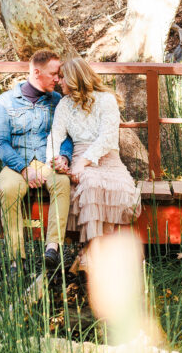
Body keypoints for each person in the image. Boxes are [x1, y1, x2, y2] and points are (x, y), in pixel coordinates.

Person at [0, 49, 74, 276]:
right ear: (36, 72)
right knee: (8, 189)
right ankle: (17, 260)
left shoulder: (58, 101)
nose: (57, 79)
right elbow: (1, 143)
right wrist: (24, 169)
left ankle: (52, 249)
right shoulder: (5, 101)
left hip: (48, 162)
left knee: (62, 184)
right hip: (17, 164)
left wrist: (64, 157)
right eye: (53, 74)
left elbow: (68, 136)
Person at [50, 57, 141, 250]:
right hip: (78, 154)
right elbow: (55, 136)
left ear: (74, 79)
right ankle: (96, 251)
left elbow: (107, 138)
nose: (59, 81)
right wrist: (54, 158)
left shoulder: (106, 100)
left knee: (118, 188)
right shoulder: (64, 104)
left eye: (62, 77)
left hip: (107, 156)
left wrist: (83, 162)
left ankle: (92, 252)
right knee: (90, 183)